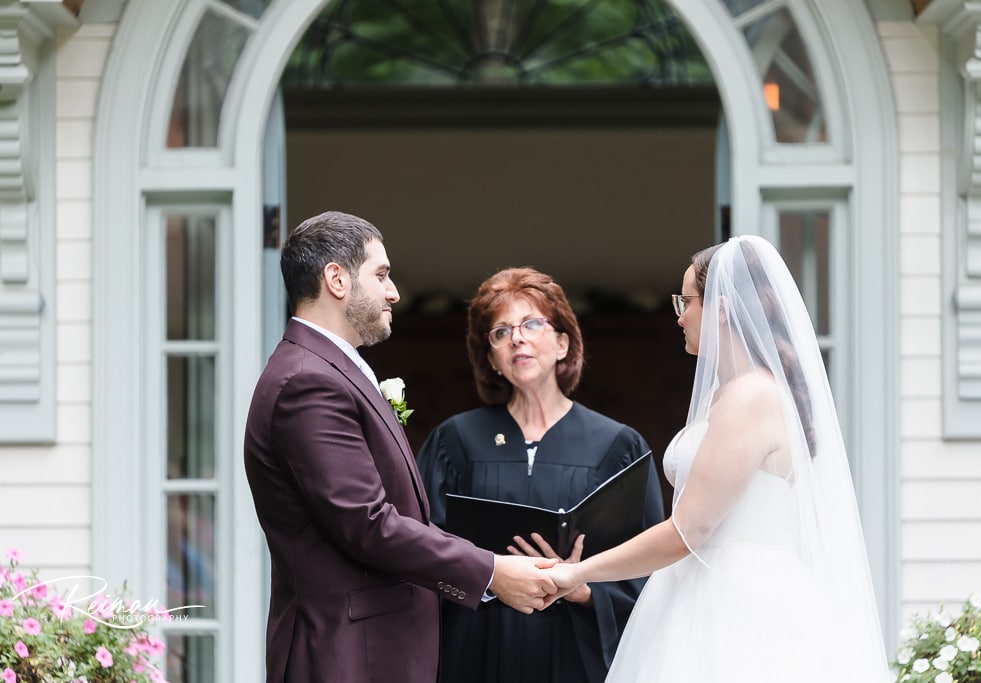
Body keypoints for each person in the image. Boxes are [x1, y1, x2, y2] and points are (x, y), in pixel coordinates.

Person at [546, 235, 890, 682]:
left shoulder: (751, 397)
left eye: (685, 301)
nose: (679, 316)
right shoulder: (725, 394)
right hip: (694, 591)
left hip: (739, 606)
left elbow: (689, 530)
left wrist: (579, 572)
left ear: (722, 308)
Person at [243, 211, 559, 683]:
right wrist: (492, 572)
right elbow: (368, 523)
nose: (393, 293)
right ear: (336, 279)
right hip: (346, 657)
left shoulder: (326, 370)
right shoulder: (307, 382)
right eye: (382, 275)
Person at [416, 267, 665, 683]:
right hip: (478, 650)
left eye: (532, 324)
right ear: (491, 360)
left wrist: (582, 587)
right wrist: (491, 577)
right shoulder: (455, 442)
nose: (517, 338)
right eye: (500, 332)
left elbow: (650, 568)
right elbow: (422, 547)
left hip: (574, 656)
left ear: (562, 343)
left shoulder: (617, 447)